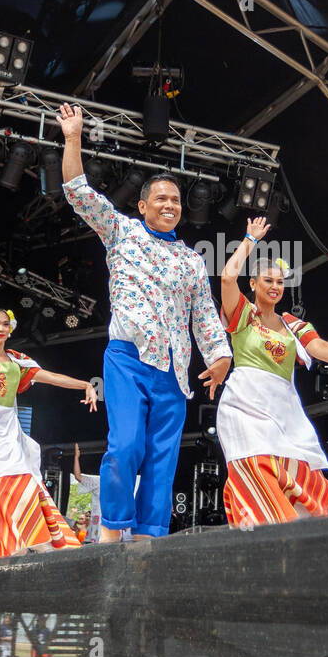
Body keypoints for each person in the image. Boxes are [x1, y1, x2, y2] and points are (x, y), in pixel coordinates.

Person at [59, 102, 232, 541]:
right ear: (142, 205)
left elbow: (205, 314)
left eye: (176, 200)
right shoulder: (121, 232)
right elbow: (79, 192)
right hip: (128, 359)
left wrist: (219, 356)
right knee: (126, 445)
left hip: (173, 371)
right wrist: (73, 137)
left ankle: (149, 542)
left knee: (163, 457)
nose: (171, 205)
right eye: (162, 198)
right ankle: (113, 532)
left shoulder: (192, 260)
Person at [0, 264, 96, 563]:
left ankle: (34, 539)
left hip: (7, 428)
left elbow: (51, 377)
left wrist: (85, 384)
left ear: (10, 330)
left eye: (4, 324)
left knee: (22, 476)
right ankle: (7, 545)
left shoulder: (17, 363)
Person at [215, 218, 328, 525]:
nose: (275, 287)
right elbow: (228, 278)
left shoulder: (291, 325)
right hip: (245, 408)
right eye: (268, 281)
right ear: (254, 284)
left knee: (305, 484)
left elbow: (317, 346)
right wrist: (249, 240)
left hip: (283, 414)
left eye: (280, 282)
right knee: (257, 471)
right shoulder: (244, 316)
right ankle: (277, 539)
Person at [68, 443, 101, 543]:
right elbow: (78, 477)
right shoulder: (99, 482)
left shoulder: (122, 484)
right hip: (98, 530)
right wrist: (76, 457)